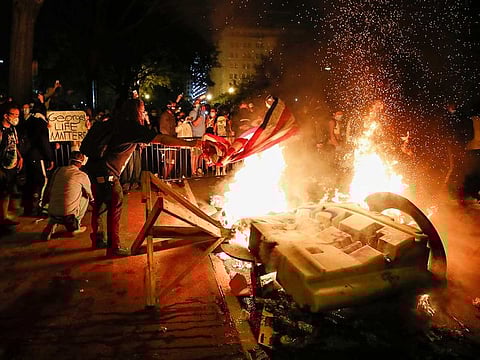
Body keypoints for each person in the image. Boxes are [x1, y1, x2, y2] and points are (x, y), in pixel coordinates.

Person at [83, 98, 201, 256]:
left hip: (93, 169)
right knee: (114, 207)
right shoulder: (132, 128)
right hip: (108, 174)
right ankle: (113, 248)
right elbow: (162, 139)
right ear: (137, 112)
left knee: (99, 205)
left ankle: (97, 239)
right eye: (142, 109)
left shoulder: (112, 123)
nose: (144, 112)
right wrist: (191, 144)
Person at [41, 151, 93, 240]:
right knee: (85, 196)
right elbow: (90, 194)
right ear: (81, 162)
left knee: (60, 195)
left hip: (52, 210)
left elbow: (49, 188)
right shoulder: (82, 175)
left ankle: (51, 226)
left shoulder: (58, 170)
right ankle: (76, 224)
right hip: (68, 215)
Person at [0, 103, 23, 226]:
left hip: (12, 166)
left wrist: (20, 157)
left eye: (17, 115)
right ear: (5, 115)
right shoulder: (1, 130)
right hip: (2, 167)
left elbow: (14, 145)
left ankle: (4, 217)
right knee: (2, 192)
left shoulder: (13, 129)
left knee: (7, 192)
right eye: (13, 114)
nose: (16, 117)